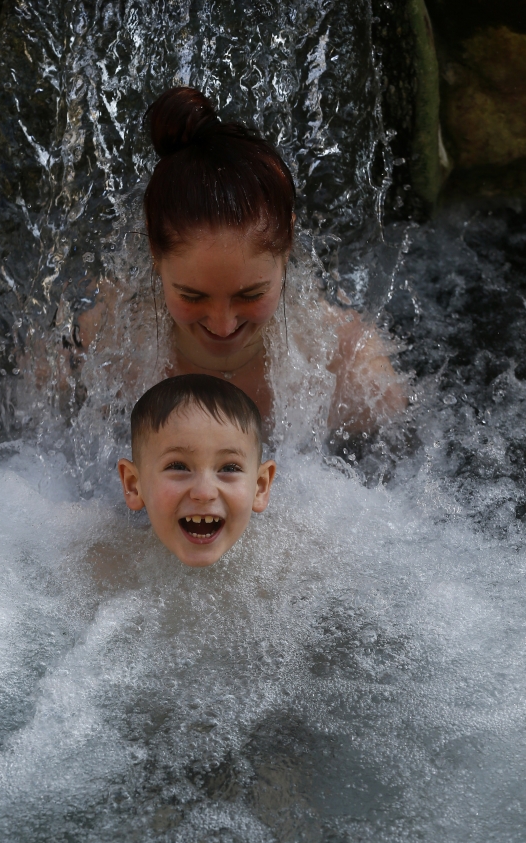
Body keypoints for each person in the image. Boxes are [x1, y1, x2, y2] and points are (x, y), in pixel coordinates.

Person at [75, 85, 406, 434]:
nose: (223, 326)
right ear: (155, 254)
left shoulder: (351, 371)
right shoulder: (98, 347)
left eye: (250, 295)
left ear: (288, 243)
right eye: (192, 295)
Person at [118, 374, 276, 567]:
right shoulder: (108, 568)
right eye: (178, 467)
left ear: (260, 487)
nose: (204, 493)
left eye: (229, 468)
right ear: (133, 485)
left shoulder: (289, 569)